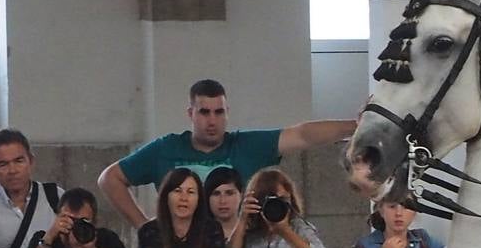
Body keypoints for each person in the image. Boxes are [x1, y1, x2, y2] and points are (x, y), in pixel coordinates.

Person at [97, 78, 357, 228]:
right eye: (204, 112)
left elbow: (301, 134)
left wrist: (358, 126)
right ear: (191, 114)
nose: (212, 120)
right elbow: (109, 179)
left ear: (227, 113)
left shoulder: (246, 145)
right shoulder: (165, 148)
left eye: (219, 112)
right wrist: (145, 227)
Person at [205, 166, 244, 243]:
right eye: (216, 194)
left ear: (241, 195)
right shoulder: (197, 235)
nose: (222, 201)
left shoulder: (253, 233)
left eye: (229, 193)